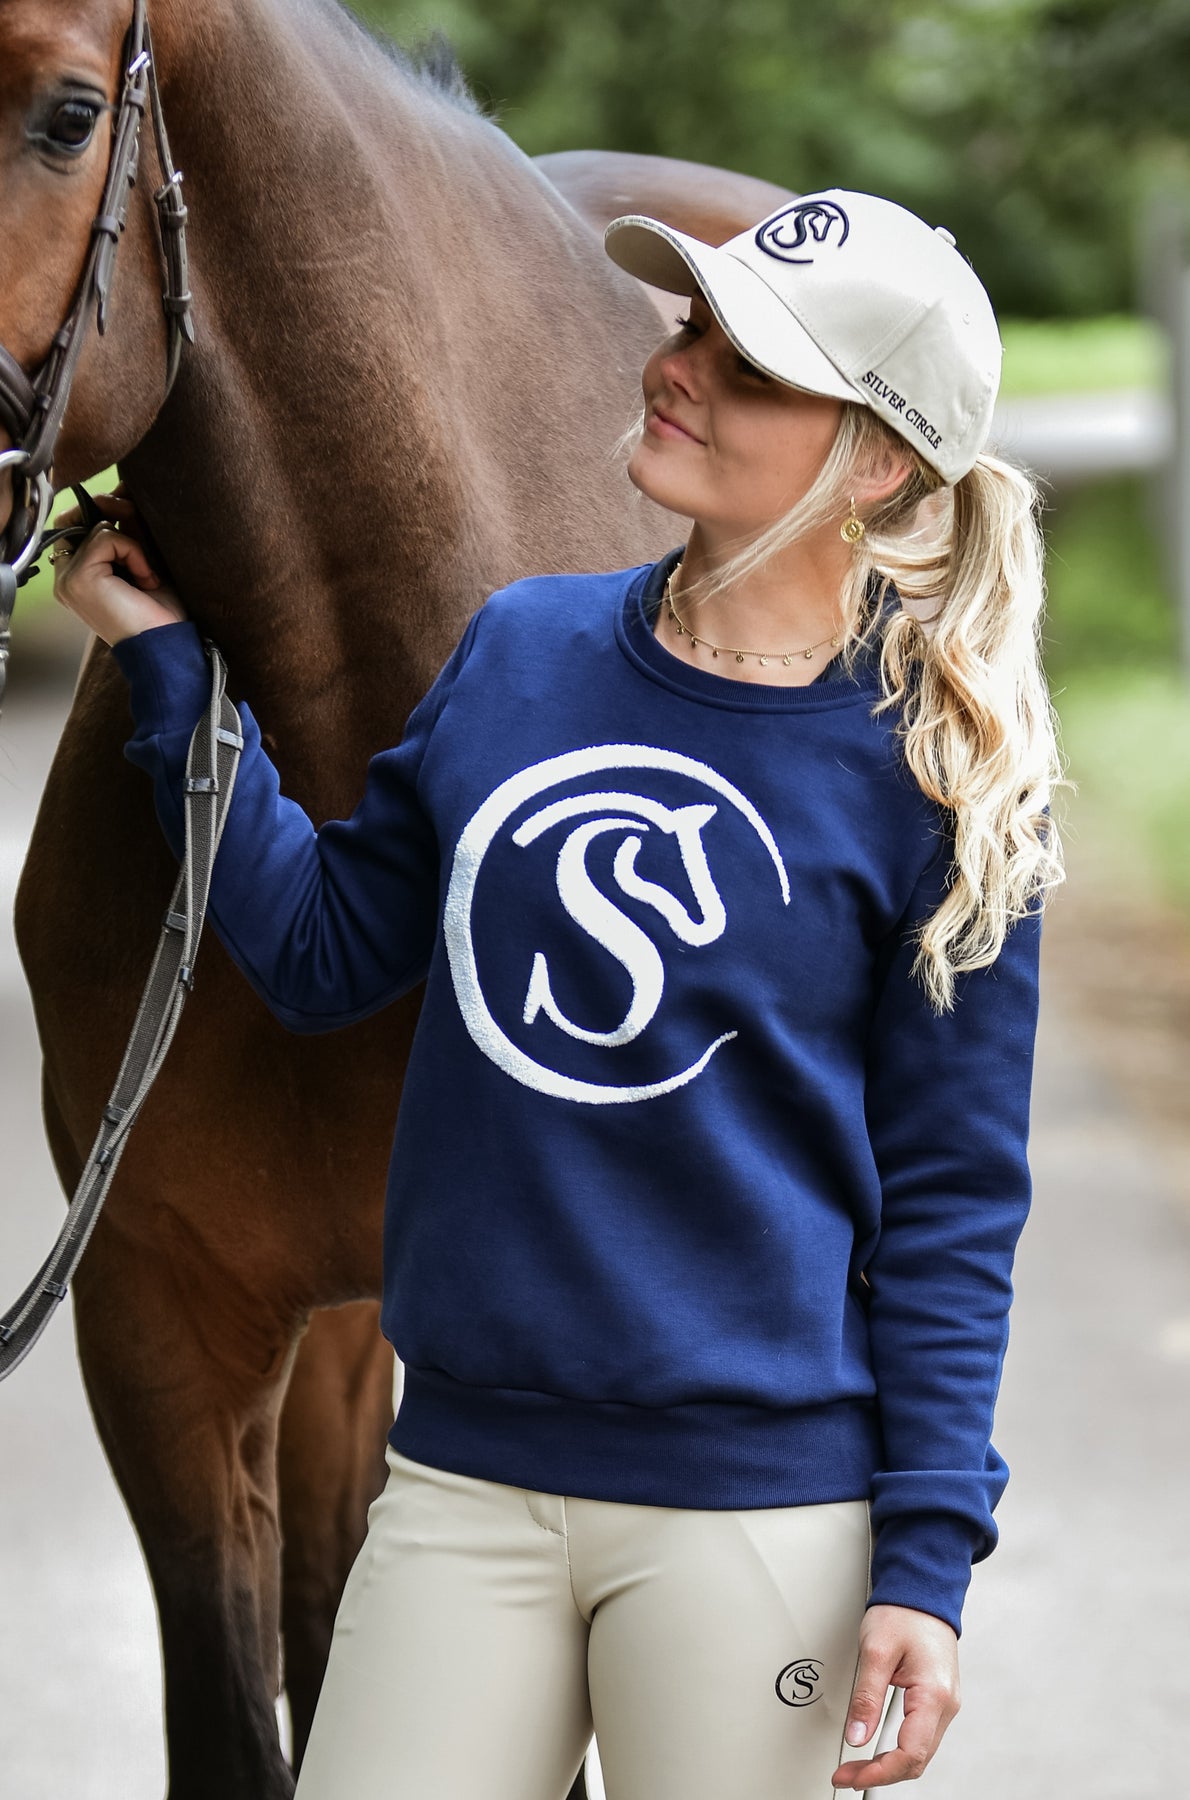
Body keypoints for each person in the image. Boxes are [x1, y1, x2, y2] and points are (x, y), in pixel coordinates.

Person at [54, 188, 1063, 1800]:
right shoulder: (521, 650)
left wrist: (924, 1567)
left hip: (755, 1525)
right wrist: (171, 668)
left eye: (751, 366)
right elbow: (320, 953)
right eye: (689, 328)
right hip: (460, 1490)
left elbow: (951, 1205)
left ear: (876, 460)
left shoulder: (944, 775)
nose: (677, 369)